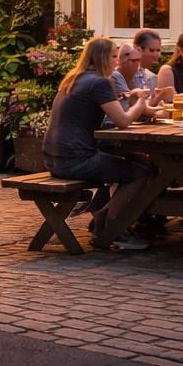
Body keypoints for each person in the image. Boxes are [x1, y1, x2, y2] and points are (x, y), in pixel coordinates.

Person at [42, 36, 153, 252]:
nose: (117, 62)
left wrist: (130, 102)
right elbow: (122, 121)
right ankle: (114, 227)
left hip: (53, 158)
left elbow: (111, 114)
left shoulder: (74, 78)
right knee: (141, 170)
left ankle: (102, 214)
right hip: (76, 161)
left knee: (140, 161)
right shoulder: (100, 82)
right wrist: (141, 101)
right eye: (114, 56)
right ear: (102, 57)